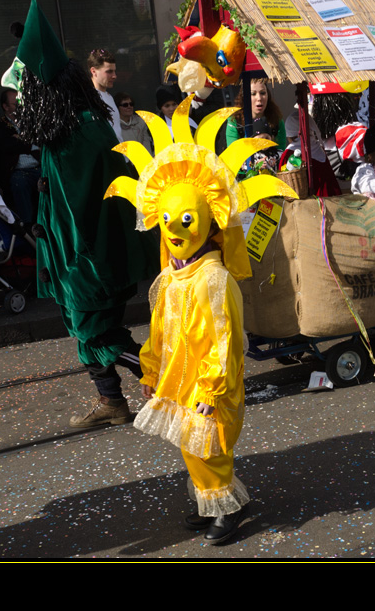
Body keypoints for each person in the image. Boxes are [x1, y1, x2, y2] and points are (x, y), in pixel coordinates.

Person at [105, 108, 297, 545]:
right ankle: (217, 501)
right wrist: (152, 370)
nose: (174, 229)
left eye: (186, 220)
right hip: (179, 379)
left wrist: (212, 390)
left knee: (210, 447)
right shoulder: (172, 275)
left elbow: (226, 341)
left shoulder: (214, 278)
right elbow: (160, 327)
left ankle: (226, 507)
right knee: (192, 449)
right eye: (168, 220)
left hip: (209, 386)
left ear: (207, 222)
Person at [3, 0, 158, 426]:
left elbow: (80, 211)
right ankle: (112, 401)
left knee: (95, 332)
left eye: (26, 93)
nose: (21, 103)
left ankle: (161, 375)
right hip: (83, 255)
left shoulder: (76, 136)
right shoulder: (72, 128)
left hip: (87, 257)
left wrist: (72, 265)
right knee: (87, 333)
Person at [0, 88, 40, 223]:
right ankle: (27, 226)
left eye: (22, 102)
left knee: (55, 180)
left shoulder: (31, 122)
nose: (21, 106)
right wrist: (29, 143)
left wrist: (19, 139)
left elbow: (42, 142)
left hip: (39, 166)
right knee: (20, 183)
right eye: (16, 104)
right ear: (5, 107)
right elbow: (7, 146)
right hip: (18, 171)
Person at [226, 78, 287, 150]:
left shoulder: (276, 119)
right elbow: (233, 153)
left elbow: (281, 150)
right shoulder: (234, 121)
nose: (259, 98)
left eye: (262, 93)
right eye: (253, 94)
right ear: (244, 97)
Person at [88, 49, 122, 141]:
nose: (114, 76)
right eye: (109, 71)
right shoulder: (88, 99)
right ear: (93, 71)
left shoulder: (109, 96)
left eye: (114, 71)